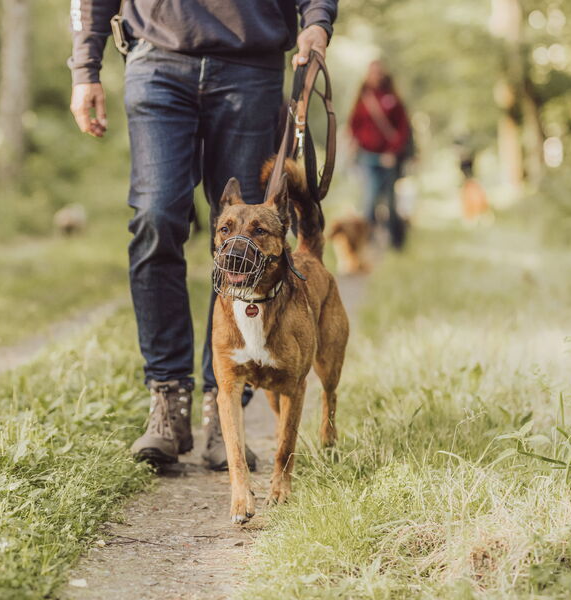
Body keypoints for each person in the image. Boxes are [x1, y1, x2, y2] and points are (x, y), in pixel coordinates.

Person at [68, 1, 338, 470]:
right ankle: (168, 401)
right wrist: (85, 66)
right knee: (155, 218)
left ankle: (223, 405)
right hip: (157, 55)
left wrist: (317, 20)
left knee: (247, 243)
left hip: (250, 64)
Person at [348, 59, 412, 249]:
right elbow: (354, 125)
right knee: (369, 199)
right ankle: (367, 242)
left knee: (390, 201)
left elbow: (402, 128)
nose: (375, 76)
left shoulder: (392, 98)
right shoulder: (363, 99)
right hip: (368, 157)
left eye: (379, 73)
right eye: (372, 73)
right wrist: (357, 142)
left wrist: (393, 151)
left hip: (388, 158)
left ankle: (396, 242)